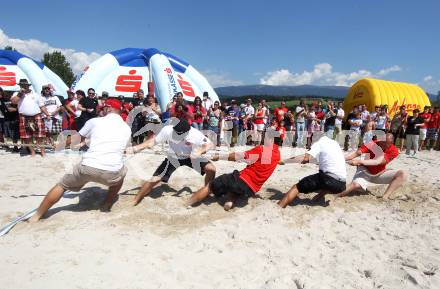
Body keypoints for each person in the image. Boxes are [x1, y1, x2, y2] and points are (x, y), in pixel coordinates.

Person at [29, 99, 132, 222]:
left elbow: (76, 138)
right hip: (111, 173)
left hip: (87, 167)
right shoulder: (127, 128)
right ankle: (107, 204)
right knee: (122, 172)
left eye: (103, 108)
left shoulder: (94, 121)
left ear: (108, 108)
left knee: (61, 185)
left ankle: (37, 216)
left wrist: (60, 145)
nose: (102, 111)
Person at [128, 119, 216, 206]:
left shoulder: (195, 134)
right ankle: (136, 199)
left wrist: (200, 151)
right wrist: (135, 148)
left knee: (211, 169)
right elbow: (152, 141)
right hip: (173, 157)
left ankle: (206, 190)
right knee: (155, 179)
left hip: (191, 157)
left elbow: (209, 144)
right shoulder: (167, 130)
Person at [188, 134, 282, 210]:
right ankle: (230, 202)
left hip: (242, 180)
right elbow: (257, 161)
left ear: (272, 140)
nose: (263, 138)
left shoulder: (263, 149)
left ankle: (188, 202)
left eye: (266, 137)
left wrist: (220, 157)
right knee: (237, 188)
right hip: (251, 190)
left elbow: (238, 156)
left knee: (210, 186)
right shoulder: (277, 155)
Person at [278, 135, 347, 208]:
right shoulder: (335, 145)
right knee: (326, 177)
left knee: (296, 187)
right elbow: (316, 160)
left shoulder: (319, 143)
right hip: (342, 186)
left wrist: (285, 161)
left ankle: (279, 206)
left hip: (329, 179)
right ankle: (318, 197)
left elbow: (305, 158)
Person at [336, 133, 407, 200]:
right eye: (382, 142)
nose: (383, 145)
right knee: (356, 185)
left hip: (379, 174)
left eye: (386, 144)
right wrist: (342, 159)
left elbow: (378, 161)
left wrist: (359, 161)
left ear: (391, 143)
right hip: (365, 169)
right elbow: (356, 153)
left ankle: (385, 197)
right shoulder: (373, 144)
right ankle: (335, 195)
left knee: (402, 174)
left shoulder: (394, 150)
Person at [10, 79, 46, 156]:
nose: (23, 86)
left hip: (36, 116)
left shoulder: (36, 94)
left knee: (40, 136)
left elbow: (42, 106)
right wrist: (20, 94)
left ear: (28, 85)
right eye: (21, 85)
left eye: (24, 85)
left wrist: (48, 114)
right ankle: (32, 152)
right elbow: (13, 102)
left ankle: (42, 152)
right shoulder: (17, 94)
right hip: (24, 117)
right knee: (27, 137)